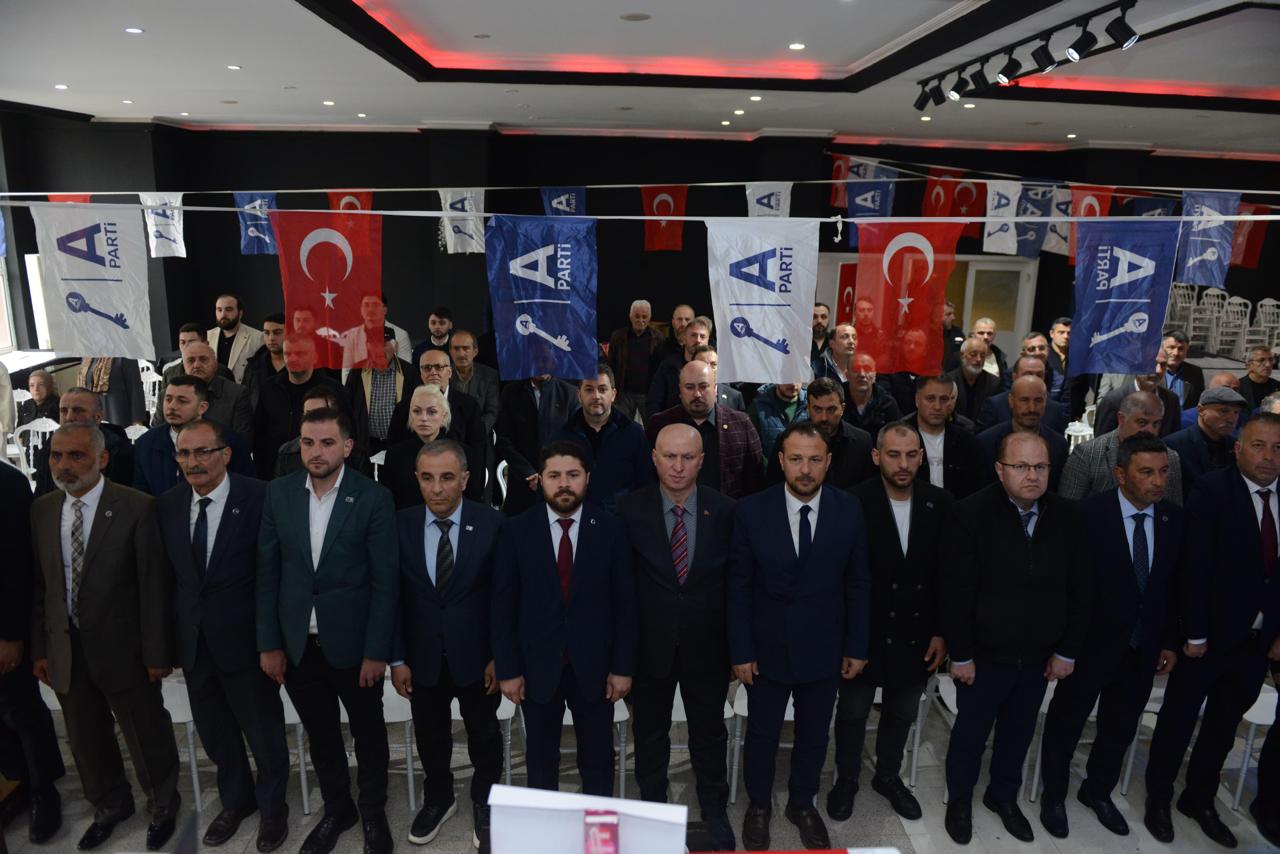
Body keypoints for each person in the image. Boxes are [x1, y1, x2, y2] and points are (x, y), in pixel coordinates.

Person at [31, 423, 182, 851]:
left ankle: (163, 804)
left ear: (102, 459)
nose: (64, 465)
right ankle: (111, 804)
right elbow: (40, 586)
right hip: (66, 647)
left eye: (76, 456)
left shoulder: (136, 506)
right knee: (84, 734)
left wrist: (157, 652)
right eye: (56, 456)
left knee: (144, 731)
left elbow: (153, 585)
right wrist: (41, 648)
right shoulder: (42, 510)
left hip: (126, 648)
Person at [256, 407, 398, 854]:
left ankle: (372, 809)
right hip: (299, 647)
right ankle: (339, 808)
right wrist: (269, 643)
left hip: (355, 648)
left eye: (327, 443)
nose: (316, 452)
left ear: (348, 447)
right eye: (308, 442)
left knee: (369, 734)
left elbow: (385, 582)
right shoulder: (278, 494)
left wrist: (376, 651)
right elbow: (268, 575)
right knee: (321, 735)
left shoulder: (373, 497)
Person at [940, 432, 1091, 845]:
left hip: (1039, 656)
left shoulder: (1068, 516)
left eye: (1040, 467)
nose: (1032, 476)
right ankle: (959, 800)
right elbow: (955, 592)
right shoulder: (969, 513)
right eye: (1021, 467)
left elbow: (1081, 590)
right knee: (970, 734)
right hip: (983, 656)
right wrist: (961, 654)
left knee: (1019, 733)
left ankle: (1002, 796)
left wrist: (1067, 651)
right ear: (999, 469)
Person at [728, 422, 871, 850]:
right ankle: (758, 805)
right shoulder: (751, 511)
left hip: (825, 649)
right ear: (781, 461)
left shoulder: (849, 509)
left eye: (814, 459)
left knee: (814, 735)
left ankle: (802, 803)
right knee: (762, 735)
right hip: (765, 650)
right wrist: (741, 650)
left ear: (828, 462)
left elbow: (859, 583)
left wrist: (857, 646)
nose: (805, 469)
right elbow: (738, 587)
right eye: (796, 459)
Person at [1143, 413, 1280, 848]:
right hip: (1206, 640)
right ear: (1238, 448)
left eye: (1278, 448)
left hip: (1257, 643)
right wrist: (1195, 634)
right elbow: (1194, 567)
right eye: (1258, 445)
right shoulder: (1212, 490)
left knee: (1223, 728)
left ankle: (1198, 799)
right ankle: (1158, 799)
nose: (1269, 457)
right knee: (1177, 722)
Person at [1039, 436, 1183, 840]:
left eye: (1164, 472)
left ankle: (1097, 791)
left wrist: (1169, 640)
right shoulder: (1085, 515)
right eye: (1147, 472)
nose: (1158, 481)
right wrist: (1064, 648)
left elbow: (1174, 588)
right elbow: (1067, 587)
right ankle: (1054, 795)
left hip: (1142, 649)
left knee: (1119, 729)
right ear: (1121, 474)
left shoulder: (1173, 519)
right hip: (1088, 647)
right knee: (1066, 725)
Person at [156, 420, 290, 851]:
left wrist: (271, 642)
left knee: (264, 735)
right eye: (184, 453)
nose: (192, 462)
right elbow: (168, 581)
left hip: (248, 644)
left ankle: (273, 811)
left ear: (226, 454)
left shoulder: (261, 497)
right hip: (195, 645)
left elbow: (275, 577)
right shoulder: (168, 504)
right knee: (216, 733)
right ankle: (237, 802)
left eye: (202, 452)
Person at [492, 441, 638, 795]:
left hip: (596, 669)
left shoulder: (612, 529)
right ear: (540, 480)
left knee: (598, 760)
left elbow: (626, 605)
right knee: (541, 760)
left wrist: (622, 667)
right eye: (554, 476)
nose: (563, 484)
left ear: (587, 478)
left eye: (572, 475)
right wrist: (508, 670)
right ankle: (546, 826)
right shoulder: (515, 530)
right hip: (537, 667)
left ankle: (596, 826)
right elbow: (503, 607)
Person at [617, 424, 737, 850]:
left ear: (702, 461)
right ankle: (653, 812)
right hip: (649, 649)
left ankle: (715, 811)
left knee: (710, 735)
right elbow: (620, 590)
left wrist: (737, 651)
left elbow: (736, 587)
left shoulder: (726, 511)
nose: (678, 466)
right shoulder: (628, 510)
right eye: (669, 456)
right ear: (654, 458)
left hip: (708, 648)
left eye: (688, 457)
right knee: (650, 735)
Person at [829, 425, 951, 823]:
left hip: (916, 632)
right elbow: (841, 576)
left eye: (911, 455)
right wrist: (848, 639)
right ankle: (846, 779)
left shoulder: (939, 502)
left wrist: (941, 630)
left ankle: (887, 776)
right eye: (894, 455)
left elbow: (946, 575)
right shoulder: (852, 501)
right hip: (865, 632)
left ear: (921, 457)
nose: (903, 464)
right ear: (876, 456)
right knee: (852, 714)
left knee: (901, 713)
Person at [389, 440, 504, 850]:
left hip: (479, 659)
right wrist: (397, 658)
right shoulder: (399, 524)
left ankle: (485, 800)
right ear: (417, 479)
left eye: (447, 477)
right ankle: (439, 798)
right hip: (422, 658)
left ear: (466, 479)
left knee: (484, 735)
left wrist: (499, 655)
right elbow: (392, 597)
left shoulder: (492, 523)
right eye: (427, 478)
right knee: (430, 735)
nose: (437, 488)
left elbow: (503, 597)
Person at [0, 460, 64, 845]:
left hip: (5, 629)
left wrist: (10, 634)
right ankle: (18, 782)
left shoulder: (6, 482)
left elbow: (17, 564)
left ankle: (44, 790)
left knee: (21, 708)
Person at [647, 360, 764, 499]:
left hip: (729, 510)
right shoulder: (660, 424)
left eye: (703, 387)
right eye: (689, 387)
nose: (697, 394)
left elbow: (755, 479)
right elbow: (648, 476)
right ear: (680, 390)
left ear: (715, 389)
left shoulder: (740, 424)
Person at [551, 365, 653, 512]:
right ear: (579, 395)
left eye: (602, 389)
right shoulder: (562, 438)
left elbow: (646, 485)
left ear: (613, 394)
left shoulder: (634, 434)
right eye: (589, 390)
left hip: (621, 520)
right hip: (578, 519)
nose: (596, 396)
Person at [133, 375, 254, 496]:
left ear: (202, 407)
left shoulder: (227, 441)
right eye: (168, 399)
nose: (172, 406)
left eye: (182, 401)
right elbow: (140, 495)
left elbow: (245, 489)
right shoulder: (146, 443)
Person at [1059, 391, 1185, 503]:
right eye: (1142, 422)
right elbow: (1068, 508)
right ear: (1121, 419)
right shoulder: (1087, 454)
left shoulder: (1170, 458)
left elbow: (1174, 511)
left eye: (1156, 424)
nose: (1150, 430)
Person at [386, 350, 488, 487]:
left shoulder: (469, 405)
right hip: (411, 481)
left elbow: (478, 450)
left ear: (450, 372)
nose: (433, 372)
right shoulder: (404, 406)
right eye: (427, 368)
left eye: (439, 367)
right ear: (421, 373)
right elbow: (394, 450)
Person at [252, 334, 346, 479]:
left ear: (314, 357)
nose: (293, 358)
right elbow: (259, 434)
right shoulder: (269, 387)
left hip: (324, 469)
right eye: (287, 354)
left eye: (300, 354)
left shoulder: (334, 390)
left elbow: (347, 431)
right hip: (277, 471)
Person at [495, 373, 579, 515]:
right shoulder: (511, 392)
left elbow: (574, 441)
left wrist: (551, 474)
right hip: (521, 485)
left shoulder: (570, 394)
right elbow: (504, 440)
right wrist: (529, 474)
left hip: (558, 484)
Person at [768, 378, 873, 491]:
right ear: (808, 408)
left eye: (831, 410)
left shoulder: (862, 442)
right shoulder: (787, 440)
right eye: (817, 409)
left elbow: (868, 488)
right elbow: (774, 487)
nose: (824, 418)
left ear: (842, 408)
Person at [384, 384, 479, 508]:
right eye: (417, 411)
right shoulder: (395, 455)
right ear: (410, 416)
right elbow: (389, 501)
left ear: (444, 416)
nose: (423, 418)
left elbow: (473, 500)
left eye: (432, 412)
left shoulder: (463, 454)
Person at [31, 388, 135, 497]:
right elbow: (41, 496)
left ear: (97, 417)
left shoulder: (121, 453)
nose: (69, 417)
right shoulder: (48, 450)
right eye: (64, 411)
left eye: (78, 410)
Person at [976, 376, 1069, 492]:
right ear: (1011, 401)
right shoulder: (986, 443)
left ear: (1046, 402)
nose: (1032, 408)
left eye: (1038, 400)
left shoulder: (1059, 445)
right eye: (1024, 400)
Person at [902, 375, 984, 500]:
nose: (937, 406)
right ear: (917, 400)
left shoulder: (967, 442)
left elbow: (975, 489)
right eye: (930, 398)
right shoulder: (898, 438)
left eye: (944, 399)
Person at [152, 341, 254, 439]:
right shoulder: (165, 396)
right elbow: (155, 437)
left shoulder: (236, 394)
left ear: (215, 364)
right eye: (191, 360)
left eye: (203, 359)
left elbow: (243, 440)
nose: (197, 365)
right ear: (183, 366)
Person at [1162, 386, 1247, 501]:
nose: (1231, 419)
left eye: (1236, 412)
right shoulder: (1174, 445)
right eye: (1223, 411)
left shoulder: (1235, 445)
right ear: (1201, 410)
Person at [345, 326, 414, 455]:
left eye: (384, 344)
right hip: (366, 444)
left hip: (398, 443)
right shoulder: (357, 372)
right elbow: (348, 406)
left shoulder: (409, 372)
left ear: (395, 347)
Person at [977, 355, 1069, 435]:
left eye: (1039, 375)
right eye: (1028, 374)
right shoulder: (995, 405)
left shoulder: (1056, 410)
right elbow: (984, 442)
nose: (1033, 379)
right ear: (1014, 377)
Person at [608, 300, 663, 421]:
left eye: (644, 317)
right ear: (630, 316)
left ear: (650, 318)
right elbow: (611, 364)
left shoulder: (658, 338)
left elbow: (661, 368)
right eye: (637, 316)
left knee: (652, 426)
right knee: (621, 426)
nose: (640, 320)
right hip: (624, 393)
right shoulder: (618, 337)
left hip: (648, 394)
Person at [647, 316, 712, 418]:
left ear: (708, 340)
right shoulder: (668, 366)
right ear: (684, 338)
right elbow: (654, 401)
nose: (698, 340)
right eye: (693, 335)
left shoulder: (715, 366)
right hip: (674, 422)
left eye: (702, 336)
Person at [341, 293, 411, 381]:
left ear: (385, 310)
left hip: (392, 385)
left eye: (375, 305)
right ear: (361, 310)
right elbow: (347, 371)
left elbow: (406, 369)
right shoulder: (352, 336)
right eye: (366, 305)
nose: (370, 309)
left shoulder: (400, 334)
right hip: (361, 386)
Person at [1094, 368, 1182, 437]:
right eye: (1150, 365)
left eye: (1162, 365)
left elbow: (1174, 440)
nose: (1158, 370)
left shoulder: (1171, 400)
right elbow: (1102, 445)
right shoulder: (1113, 400)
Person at [449, 329, 500, 435]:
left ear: (475, 352)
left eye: (466, 348)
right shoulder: (442, 374)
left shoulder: (490, 375)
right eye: (456, 348)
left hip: (480, 434)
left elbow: (492, 411)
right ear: (450, 351)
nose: (461, 353)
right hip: (450, 435)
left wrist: (478, 432)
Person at [747, 382, 806, 469]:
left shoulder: (812, 403)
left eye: (797, 377)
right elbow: (752, 448)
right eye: (787, 378)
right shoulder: (758, 407)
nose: (793, 384)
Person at [207, 294, 264, 384]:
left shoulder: (258, 338)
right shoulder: (207, 336)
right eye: (219, 310)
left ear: (240, 313)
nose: (223, 314)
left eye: (228, 309)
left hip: (243, 391)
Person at [75, 357, 146, 426]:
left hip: (116, 417)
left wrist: (137, 421)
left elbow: (135, 388)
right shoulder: (87, 357)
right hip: (91, 418)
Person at [844, 353, 901, 439]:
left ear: (875, 375)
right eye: (856, 369)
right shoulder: (837, 398)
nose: (862, 374)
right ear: (847, 375)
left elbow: (896, 437)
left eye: (867, 369)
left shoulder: (887, 403)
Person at [946, 336, 1001, 423]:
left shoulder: (993, 382)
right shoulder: (948, 381)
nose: (979, 359)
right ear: (962, 355)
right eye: (973, 354)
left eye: (982, 356)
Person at [242, 312, 287, 410]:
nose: (271, 338)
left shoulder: (299, 365)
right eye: (266, 333)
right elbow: (244, 400)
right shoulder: (253, 366)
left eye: (277, 332)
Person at [689, 345, 746, 412]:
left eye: (713, 364)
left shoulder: (734, 396)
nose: (709, 368)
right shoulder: (684, 394)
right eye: (703, 364)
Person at [1158, 331, 1204, 409]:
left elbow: (1198, 401)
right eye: (1171, 347)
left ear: (1187, 351)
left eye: (1181, 349)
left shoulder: (1195, 372)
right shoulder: (1151, 370)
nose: (1176, 353)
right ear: (1162, 348)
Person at [1240, 345, 1280, 411]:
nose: (1268, 365)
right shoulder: (1238, 387)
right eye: (1261, 360)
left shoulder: (1278, 387)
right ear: (1249, 365)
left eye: (1270, 360)